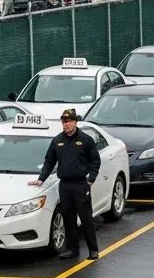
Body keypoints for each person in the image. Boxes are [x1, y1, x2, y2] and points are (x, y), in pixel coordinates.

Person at [29, 108, 101, 260]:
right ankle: (72, 250)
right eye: (64, 122)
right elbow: (49, 161)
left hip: (81, 184)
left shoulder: (86, 140)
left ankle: (93, 250)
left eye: (68, 121)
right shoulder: (57, 140)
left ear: (75, 122)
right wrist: (41, 178)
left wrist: (91, 179)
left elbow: (95, 160)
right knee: (68, 218)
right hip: (65, 185)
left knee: (85, 217)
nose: (66, 124)